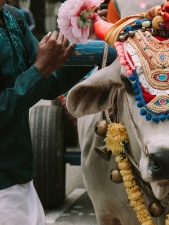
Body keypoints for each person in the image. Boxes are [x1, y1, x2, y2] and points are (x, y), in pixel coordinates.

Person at [0, 1, 103, 224]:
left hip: (20, 178)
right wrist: (39, 70)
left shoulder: (12, 17)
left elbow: (47, 86)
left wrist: (91, 38)